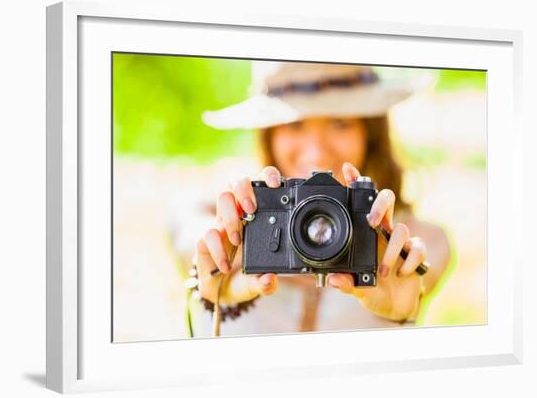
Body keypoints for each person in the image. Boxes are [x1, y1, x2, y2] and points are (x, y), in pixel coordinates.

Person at [174, 62, 450, 336]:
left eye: (340, 123)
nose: (317, 152)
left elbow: (432, 251)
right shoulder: (225, 217)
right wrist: (224, 255)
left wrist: (405, 294)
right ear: (270, 134)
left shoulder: (405, 243)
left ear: (370, 134)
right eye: (295, 124)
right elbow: (186, 229)